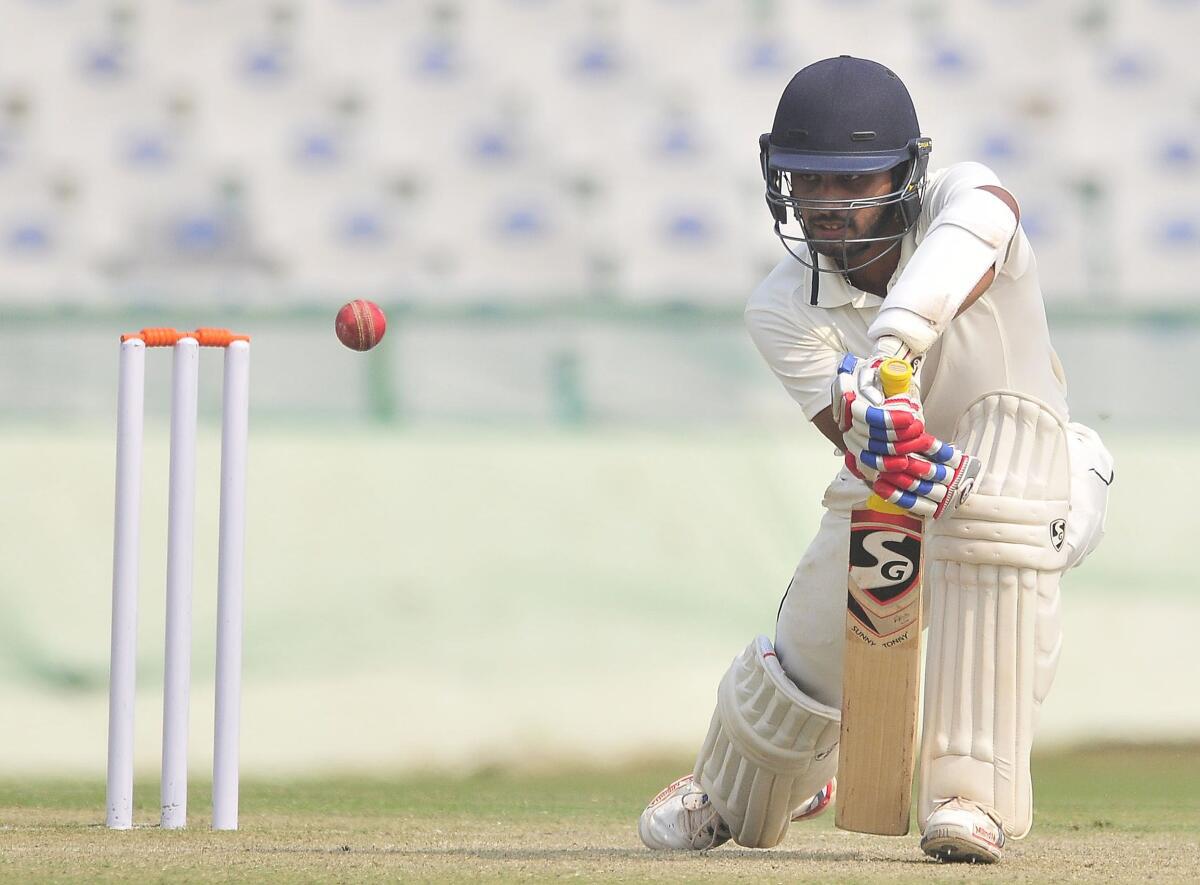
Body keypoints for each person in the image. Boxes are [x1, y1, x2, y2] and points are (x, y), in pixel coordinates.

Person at [637, 55, 1113, 865]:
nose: (828, 204)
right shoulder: (779, 306)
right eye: (810, 182)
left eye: (852, 182)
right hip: (901, 473)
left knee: (993, 521)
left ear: (905, 172)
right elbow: (853, 435)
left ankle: (970, 796)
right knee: (818, 627)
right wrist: (881, 435)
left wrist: (895, 347)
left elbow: (983, 224)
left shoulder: (965, 199)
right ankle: (748, 780)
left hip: (1036, 475)